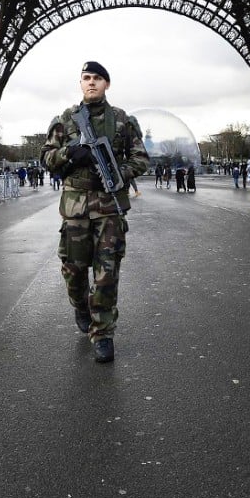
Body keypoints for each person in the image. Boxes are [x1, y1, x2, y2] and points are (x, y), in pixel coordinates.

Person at [41, 61, 149, 363]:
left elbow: (141, 158)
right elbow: (47, 158)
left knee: (107, 273)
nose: (91, 83)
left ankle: (103, 333)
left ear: (107, 84)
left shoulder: (121, 121)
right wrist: (68, 153)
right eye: (86, 78)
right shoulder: (65, 120)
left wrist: (118, 172)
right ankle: (81, 308)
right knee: (74, 272)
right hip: (75, 208)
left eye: (97, 78)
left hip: (109, 207)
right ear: (81, 83)